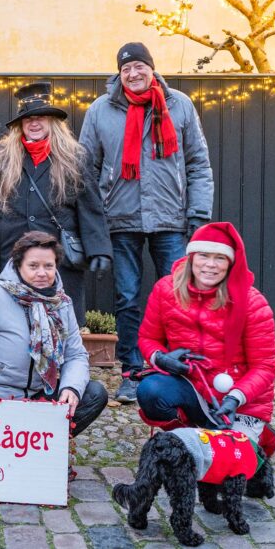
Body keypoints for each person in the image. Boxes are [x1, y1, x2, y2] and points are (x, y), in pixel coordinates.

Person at [79, 42, 214, 403]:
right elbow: (86, 171)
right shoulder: (100, 110)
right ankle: (132, 370)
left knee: (178, 297)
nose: (134, 74)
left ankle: (178, 367)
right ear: (118, 74)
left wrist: (198, 216)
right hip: (120, 219)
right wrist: (93, 224)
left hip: (171, 219)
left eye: (140, 66)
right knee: (127, 297)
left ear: (151, 69)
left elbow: (198, 164)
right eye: (126, 69)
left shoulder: (179, 105)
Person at [0, 231, 108, 479]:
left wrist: (71, 387)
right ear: (18, 266)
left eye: (48, 266)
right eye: (33, 266)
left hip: (36, 394)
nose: (42, 273)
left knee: (94, 394)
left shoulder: (62, 303)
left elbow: (75, 355)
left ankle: (42, 450)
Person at [0, 81, 112, 326]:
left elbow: (91, 208)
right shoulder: (0, 158)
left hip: (60, 260)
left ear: (52, 121)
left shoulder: (75, 157)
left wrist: (99, 249)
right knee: (15, 326)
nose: (34, 123)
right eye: (28, 119)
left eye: (40, 117)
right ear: (20, 125)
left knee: (63, 326)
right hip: (13, 256)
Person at [136, 222, 275, 454]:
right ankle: (188, 435)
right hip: (193, 388)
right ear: (192, 257)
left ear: (230, 263)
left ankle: (261, 438)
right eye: (203, 255)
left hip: (236, 400)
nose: (210, 265)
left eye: (220, 258)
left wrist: (234, 398)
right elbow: (147, 338)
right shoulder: (165, 290)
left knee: (228, 471)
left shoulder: (252, 303)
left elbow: (264, 367)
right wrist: (161, 359)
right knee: (150, 391)